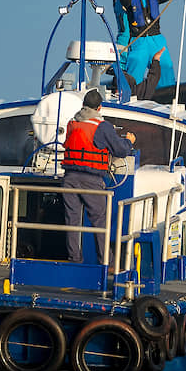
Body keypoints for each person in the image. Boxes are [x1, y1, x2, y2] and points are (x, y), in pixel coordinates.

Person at [62, 89, 135, 264]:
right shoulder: (102, 126)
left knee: (72, 220)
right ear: (99, 107)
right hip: (91, 180)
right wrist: (129, 141)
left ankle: (74, 259)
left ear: (83, 105)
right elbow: (120, 150)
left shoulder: (72, 122)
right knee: (99, 221)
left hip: (69, 177)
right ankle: (106, 262)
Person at [119, 0, 176, 88]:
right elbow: (125, 1)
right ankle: (132, 94)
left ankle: (167, 92)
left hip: (156, 38)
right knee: (136, 64)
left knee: (165, 65)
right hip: (138, 39)